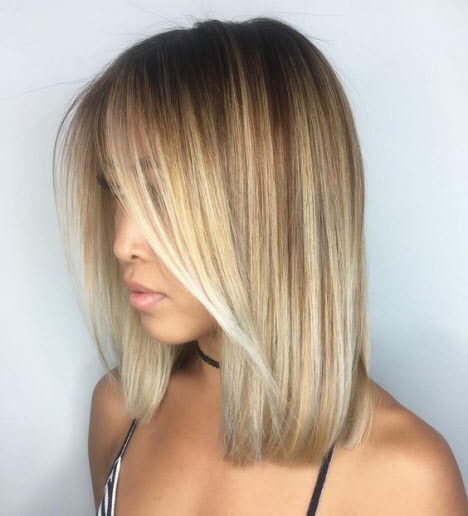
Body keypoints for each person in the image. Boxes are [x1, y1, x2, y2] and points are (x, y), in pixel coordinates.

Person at [52, 16, 467, 515]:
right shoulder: (119, 412)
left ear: (272, 206)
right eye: (116, 191)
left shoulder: (405, 479)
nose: (122, 243)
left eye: (161, 195)